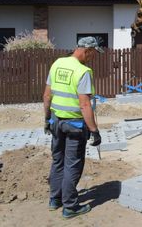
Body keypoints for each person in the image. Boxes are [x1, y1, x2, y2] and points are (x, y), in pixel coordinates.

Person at [43, 36, 103, 219]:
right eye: (93, 54)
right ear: (87, 50)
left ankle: (55, 199)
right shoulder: (83, 71)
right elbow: (85, 105)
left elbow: (47, 96)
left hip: (56, 121)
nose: (93, 57)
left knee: (58, 161)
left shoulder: (57, 63)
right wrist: (94, 131)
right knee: (73, 164)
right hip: (75, 125)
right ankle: (70, 206)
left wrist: (46, 119)